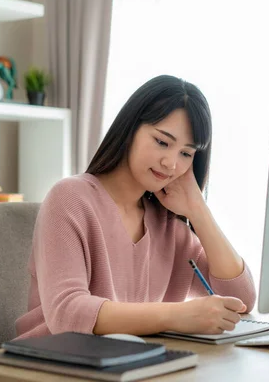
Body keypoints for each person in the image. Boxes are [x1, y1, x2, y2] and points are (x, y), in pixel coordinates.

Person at [15, 75, 256, 339]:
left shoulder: (168, 227)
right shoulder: (70, 198)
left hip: (130, 367)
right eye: (162, 142)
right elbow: (68, 313)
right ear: (130, 130)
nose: (171, 163)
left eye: (186, 153)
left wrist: (198, 210)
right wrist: (178, 316)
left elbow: (240, 301)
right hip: (48, 368)